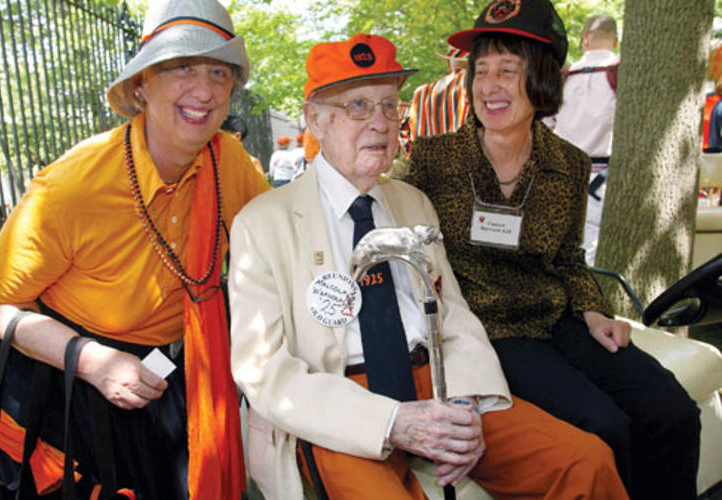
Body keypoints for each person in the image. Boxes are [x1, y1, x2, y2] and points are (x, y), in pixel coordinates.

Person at [230, 32, 628, 500]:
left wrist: (465, 402)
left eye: (388, 105)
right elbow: (265, 370)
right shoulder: (264, 223)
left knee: (585, 462)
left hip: (437, 381)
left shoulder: (413, 202)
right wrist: (392, 422)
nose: (380, 122)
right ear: (314, 119)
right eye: (358, 106)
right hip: (341, 402)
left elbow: (454, 315)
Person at [397, 1, 701, 499]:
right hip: (489, 332)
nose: (488, 86)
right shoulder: (433, 160)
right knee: (603, 425)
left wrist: (594, 309)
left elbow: (568, 260)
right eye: (482, 71)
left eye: (507, 71)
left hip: (556, 319)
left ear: (541, 79)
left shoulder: (569, 163)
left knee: (672, 411)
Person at [0, 0, 270, 498]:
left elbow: (281, 244)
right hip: (62, 379)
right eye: (182, 68)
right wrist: (91, 360)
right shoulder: (71, 186)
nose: (203, 89)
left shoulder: (231, 163)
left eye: (219, 71)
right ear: (141, 87)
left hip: (168, 370)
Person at [548, 14, 620, 265]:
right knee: (592, 245)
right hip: (602, 174)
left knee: (563, 241)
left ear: (585, 39)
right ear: (616, 40)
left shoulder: (564, 77)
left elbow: (546, 123)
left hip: (565, 170)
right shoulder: (621, 75)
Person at [399, 46, 470, 155]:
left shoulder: (421, 92)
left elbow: (402, 129)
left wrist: (412, 156)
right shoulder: (475, 86)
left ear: (448, 62)